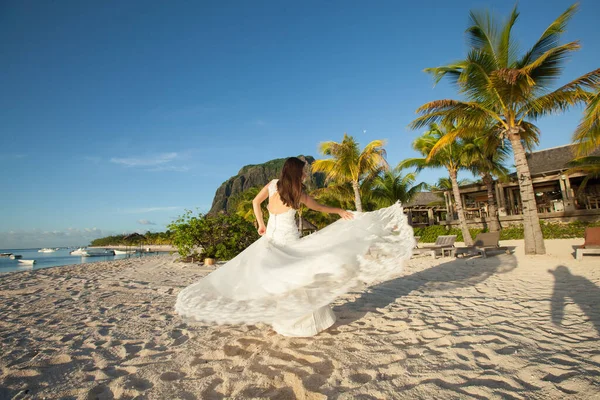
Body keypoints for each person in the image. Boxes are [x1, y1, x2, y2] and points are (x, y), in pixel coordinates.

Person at [175, 157, 414, 337]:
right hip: (288, 239)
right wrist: (339, 211)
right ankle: (302, 324)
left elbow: (254, 202)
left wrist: (260, 225)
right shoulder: (298, 193)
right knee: (299, 279)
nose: (307, 174)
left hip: (271, 239)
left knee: (283, 281)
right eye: (305, 171)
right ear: (297, 172)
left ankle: (287, 322)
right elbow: (319, 207)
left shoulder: (272, 185)